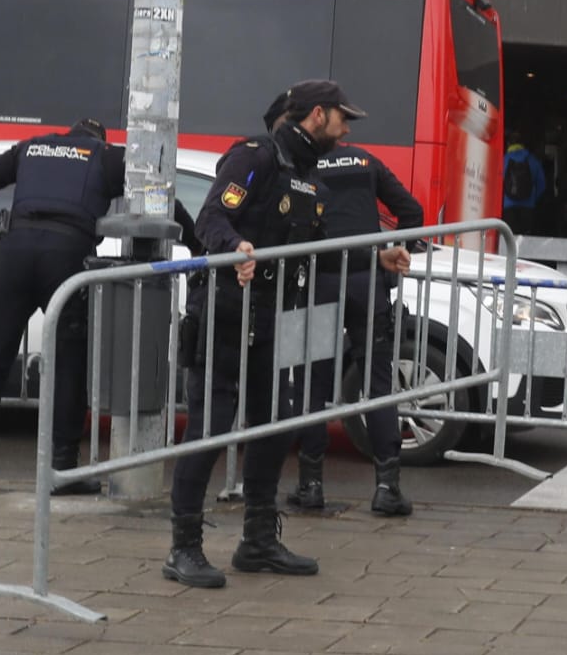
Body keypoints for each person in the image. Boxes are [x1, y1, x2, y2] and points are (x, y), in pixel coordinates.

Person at [166, 80, 409, 589]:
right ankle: (183, 548)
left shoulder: (311, 183)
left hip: (273, 324)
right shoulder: (254, 159)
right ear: (317, 116)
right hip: (225, 317)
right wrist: (236, 247)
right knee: (210, 428)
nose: (346, 132)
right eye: (343, 119)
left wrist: (377, 256)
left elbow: (320, 251)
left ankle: (257, 541)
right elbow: (212, 216)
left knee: (275, 426)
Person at [0, 119, 125, 495]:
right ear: (100, 140)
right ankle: (62, 468)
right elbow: (156, 193)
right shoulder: (103, 156)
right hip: (65, 256)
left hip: (13, 253)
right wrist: (194, 241)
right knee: (68, 362)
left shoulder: (31, 147)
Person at [292, 126, 425, 518]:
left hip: (322, 283)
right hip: (368, 283)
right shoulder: (366, 162)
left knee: (313, 383)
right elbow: (412, 211)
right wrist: (391, 256)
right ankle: (387, 488)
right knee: (378, 385)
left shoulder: (305, 166)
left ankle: (310, 485)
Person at [501, 139, 548, 236]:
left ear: (509, 145)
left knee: (509, 237)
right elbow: (542, 184)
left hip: (508, 207)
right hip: (528, 206)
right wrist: (533, 198)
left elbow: (496, 183)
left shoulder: (503, 160)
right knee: (526, 237)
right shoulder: (533, 160)